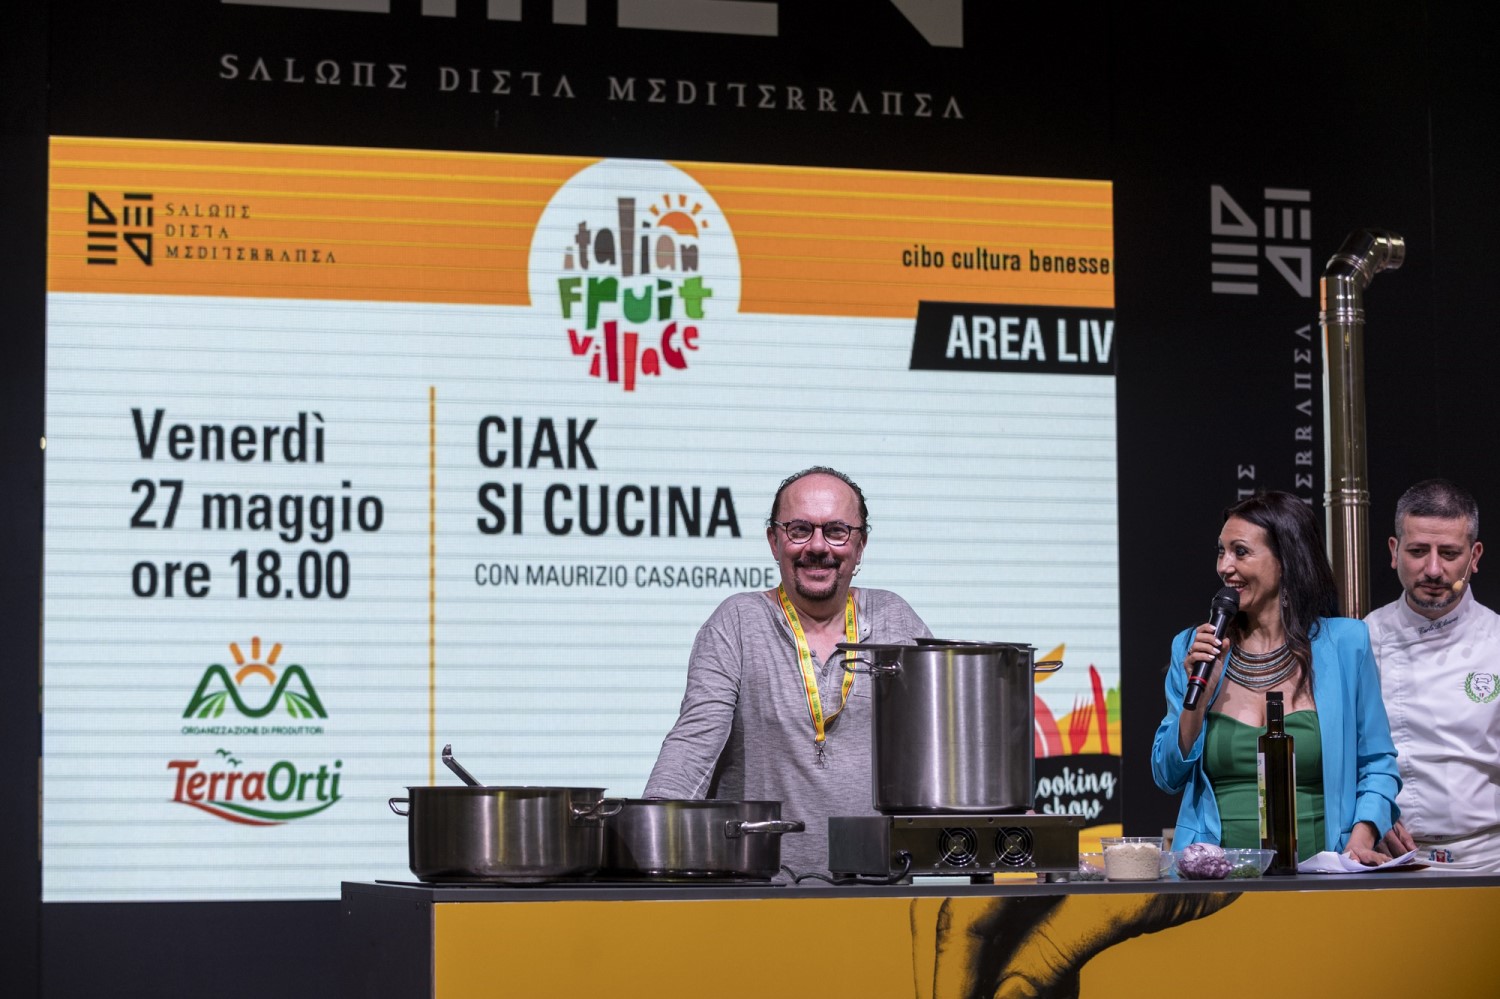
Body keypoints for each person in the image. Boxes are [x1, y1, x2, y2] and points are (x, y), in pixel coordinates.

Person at [644, 466, 930, 876]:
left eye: (836, 531)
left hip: (880, 888)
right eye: (799, 530)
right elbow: (695, 740)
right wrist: (648, 834)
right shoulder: (737, 621)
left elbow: (942, 742)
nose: (818, 546)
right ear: (774, 541)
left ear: (860, 545)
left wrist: (1007, 812)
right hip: (762, 890)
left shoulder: (894, 618)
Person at [1150, 491, 1400, 864]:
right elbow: (1167, 775)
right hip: (1213, 877)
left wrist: (1360, 841)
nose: (1225, 566)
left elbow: (1378, 763)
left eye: (1240, 552)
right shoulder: (1193, 647)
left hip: (1323, 873)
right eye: (1221, 552)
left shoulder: (1347, 644)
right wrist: (1197, 703)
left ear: (1285, 560)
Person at [1365, 478, 1500, 871]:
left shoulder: (1496, 640)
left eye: (1450, 553)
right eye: (1418, 551)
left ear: (1474, 556)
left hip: (1490, 858)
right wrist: (1368, 813)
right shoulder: (1364, 639)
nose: (1434, 569)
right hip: (1389, 859)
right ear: (1395, 552)